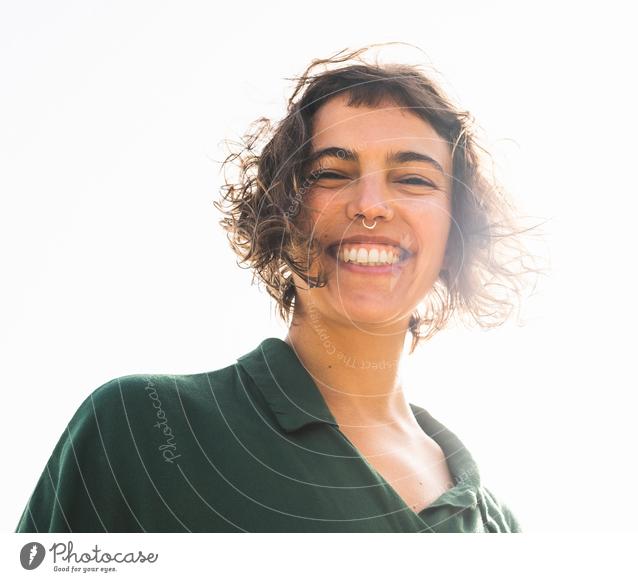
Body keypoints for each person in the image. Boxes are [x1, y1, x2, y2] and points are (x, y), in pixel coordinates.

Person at [15, 45, 540, 533]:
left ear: (456, 234)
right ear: (279, 213)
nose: (372, 204)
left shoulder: (499, 528)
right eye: (332, 173)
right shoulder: (138, 429)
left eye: (414, 179)